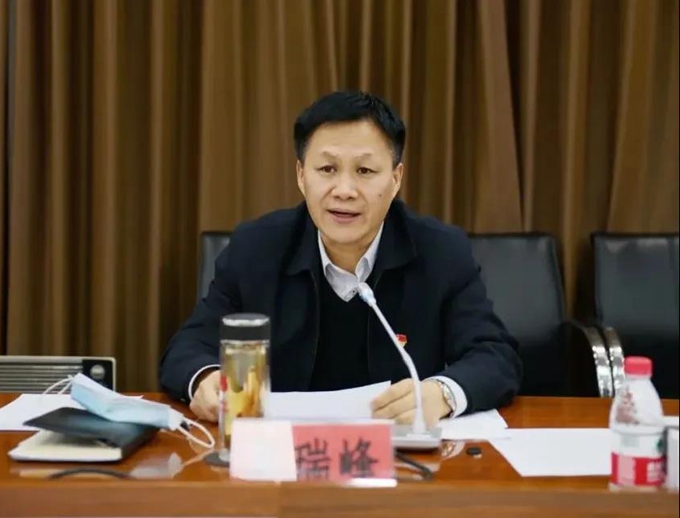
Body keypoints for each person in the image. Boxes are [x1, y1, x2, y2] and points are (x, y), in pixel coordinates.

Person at [159, 90, 522, 425]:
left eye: (365, 171)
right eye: (327, 169)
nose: (344, 191)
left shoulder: (441, 252)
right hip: (282, 457)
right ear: (301, 175)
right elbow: (188, 348)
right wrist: (204, 379)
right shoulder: (256, 248)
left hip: (399, 459)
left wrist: (441, 393)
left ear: (395, 179)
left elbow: (495, 355)